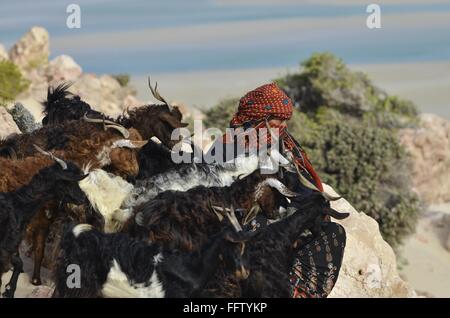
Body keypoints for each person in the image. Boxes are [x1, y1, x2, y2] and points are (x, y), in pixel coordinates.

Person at [206, 83, 347, 298]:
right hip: (240, 223)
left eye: (285, 121)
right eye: (277, 120)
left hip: (280, 219)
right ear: (256, 117)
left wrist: (310, 211)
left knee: (332, 232)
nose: (282, 125)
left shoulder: (285, 145)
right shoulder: (227, 146)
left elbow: (300, 187)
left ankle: (299, 292)